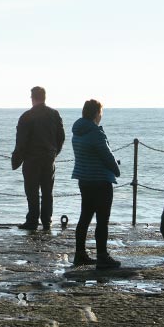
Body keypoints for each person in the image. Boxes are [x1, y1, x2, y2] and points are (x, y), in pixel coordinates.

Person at [70, 99, 122, 269]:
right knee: (102, 219)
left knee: (84, 217)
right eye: (101, 112)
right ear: (96, 113)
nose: (101, 116)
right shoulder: (95, 133)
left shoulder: (77, 132)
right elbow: (107, 156)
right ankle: (102, 255)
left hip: (84, 179)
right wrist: (117, 170)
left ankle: (80, 254)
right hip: (100, 181)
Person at [11, 86, 64, 231]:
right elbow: (61, 137)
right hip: (48, 158)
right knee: (47, 192)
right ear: (44, 97)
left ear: (32, 98)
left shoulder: (26, 116)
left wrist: (16, 159)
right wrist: (54, 153)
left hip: (31, 159)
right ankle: (47, 221)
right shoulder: (54, 114)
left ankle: (32, 221)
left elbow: (21, 141)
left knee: (32, 191)